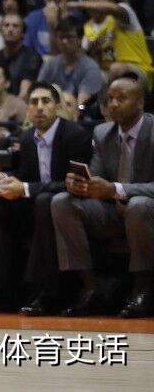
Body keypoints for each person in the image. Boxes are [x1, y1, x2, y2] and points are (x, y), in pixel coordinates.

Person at [0, 83, 92, 315]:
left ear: (57, 106)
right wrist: (4, 179)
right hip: (36, 202)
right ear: (28, 108)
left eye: (46, 101)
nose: (39, 107)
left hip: (69, 205)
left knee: (45, 203)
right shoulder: (27, 138)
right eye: (34, 102)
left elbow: (75, 183)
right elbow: (24, 177)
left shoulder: (75, 135)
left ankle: (48, 291)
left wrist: (26, 188)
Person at [52, 76, 154, 318]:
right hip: (112, 211)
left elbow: (116, 189)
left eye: (121, 98)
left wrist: (116, 189)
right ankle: (91, 287)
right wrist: (79, 185)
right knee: (62, 202)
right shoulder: (102, 132)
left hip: (146, 211)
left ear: (140, 103)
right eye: (110, 99)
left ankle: (143, 290)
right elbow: (96, 177)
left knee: (138, 206)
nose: (114, 104)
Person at [76, 0, 153, 79]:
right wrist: (94, 51)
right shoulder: (87, 28)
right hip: (108, 73)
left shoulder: (123, 13)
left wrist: (74, 4)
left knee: (116, 68)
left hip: (139, 70)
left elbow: (112, 8)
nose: (87, 4)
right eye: (85, 0)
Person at [40, 20, 107, 105]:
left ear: (80, 39)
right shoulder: (50, 64)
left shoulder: (91, 68)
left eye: (69, 37)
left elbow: (81, 104)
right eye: (61, 37)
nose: (64, 41)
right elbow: (39, 91)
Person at [0, 13, 42, 101]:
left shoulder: (31, 57)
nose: (10, 29)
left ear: (23, 33)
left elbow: (24, 94)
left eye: (15, 26)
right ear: (1, 31)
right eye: (6, 25)